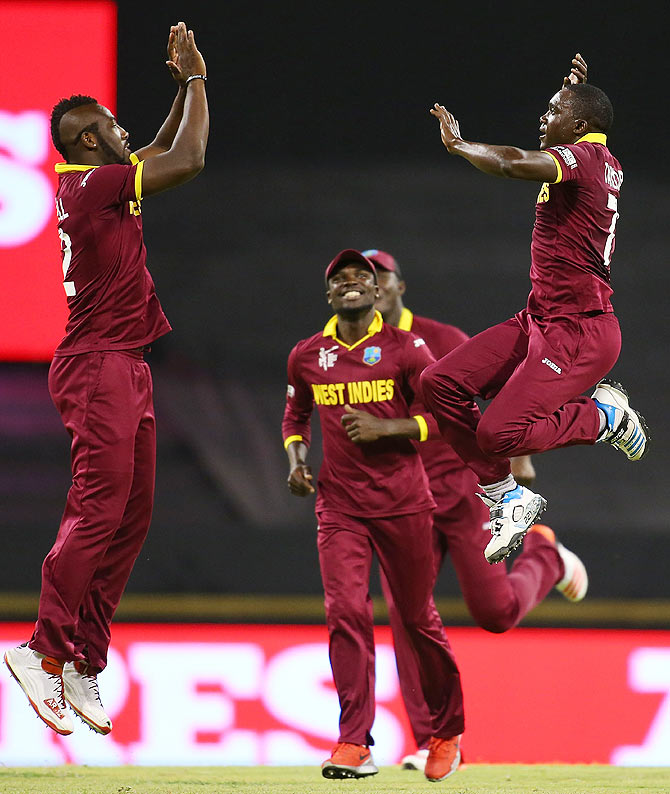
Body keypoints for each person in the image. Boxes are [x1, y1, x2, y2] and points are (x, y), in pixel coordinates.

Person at [4, 22, 209, 736]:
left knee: (132, 514)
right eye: (112, 126)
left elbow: (159, 151)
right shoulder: (91, 187)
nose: (126, 133)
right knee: (98, 510)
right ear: (89, 141)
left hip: (124, 365)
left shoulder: (99, 183)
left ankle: (82, 660)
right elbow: (187, 159)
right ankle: (40, 649)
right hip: (97, 367)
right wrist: (194, 80)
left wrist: (185, 87)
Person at [360, 248, 588, 771]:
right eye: (363, 279)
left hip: (464, 490)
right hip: (404, 501)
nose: (372, 286)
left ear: (399, 286)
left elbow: (510, 392)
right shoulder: (351, 351)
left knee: (495, 613)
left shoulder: (442, 340)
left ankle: (546, 558)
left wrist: (520, 455)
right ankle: (431, 741)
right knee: (406, 615)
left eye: (381, 277)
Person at [421, 54, 648, 565]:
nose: (542, 118)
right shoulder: (596, 159)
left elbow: (510, 161)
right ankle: (507, 494)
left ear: (581, 125)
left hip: (578, 333)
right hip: (541, 319)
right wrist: (575, 98)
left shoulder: (584, 161)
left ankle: (601, 417)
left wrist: (459, 145)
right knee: (438, 383)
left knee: (497, 433)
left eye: (553, 110)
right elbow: (579, 130)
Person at [283, 249, 464, 782]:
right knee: (346, 613)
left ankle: (446, 730)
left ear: (378, 290)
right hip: (339, 505)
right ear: (330, 295)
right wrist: (297, 462)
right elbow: (296, 415)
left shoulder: (408, 349)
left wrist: (393, 429)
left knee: (415, 619)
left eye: (361, 276)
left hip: (404, 502)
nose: (351, 283)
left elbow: (448, 414)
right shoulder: (307, 355)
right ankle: (354, 743)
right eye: (340, 279)